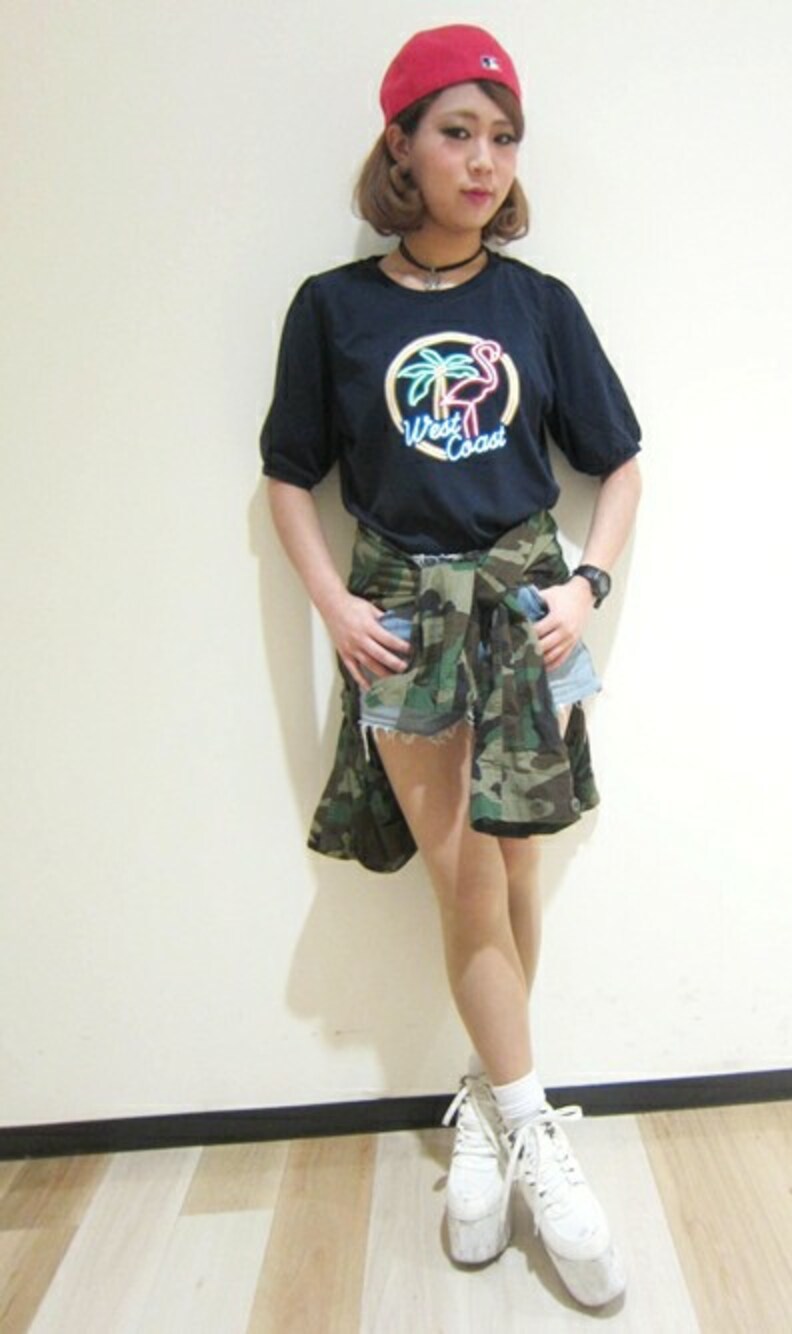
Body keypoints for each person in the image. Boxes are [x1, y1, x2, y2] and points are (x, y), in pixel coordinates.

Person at [260, 24, 641, 1309]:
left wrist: (588, 585)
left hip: (526, 609)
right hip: (404, 617)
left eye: (503, 137)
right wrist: (331, 605)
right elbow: (288, 475)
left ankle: (488, 1107)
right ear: (402, 146)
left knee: (514, 862)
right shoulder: (333, 308)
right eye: (457, 132)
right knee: (465, 868)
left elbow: (620, 463)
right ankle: (534, 1127)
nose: (484, 161)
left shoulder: (539, 305)